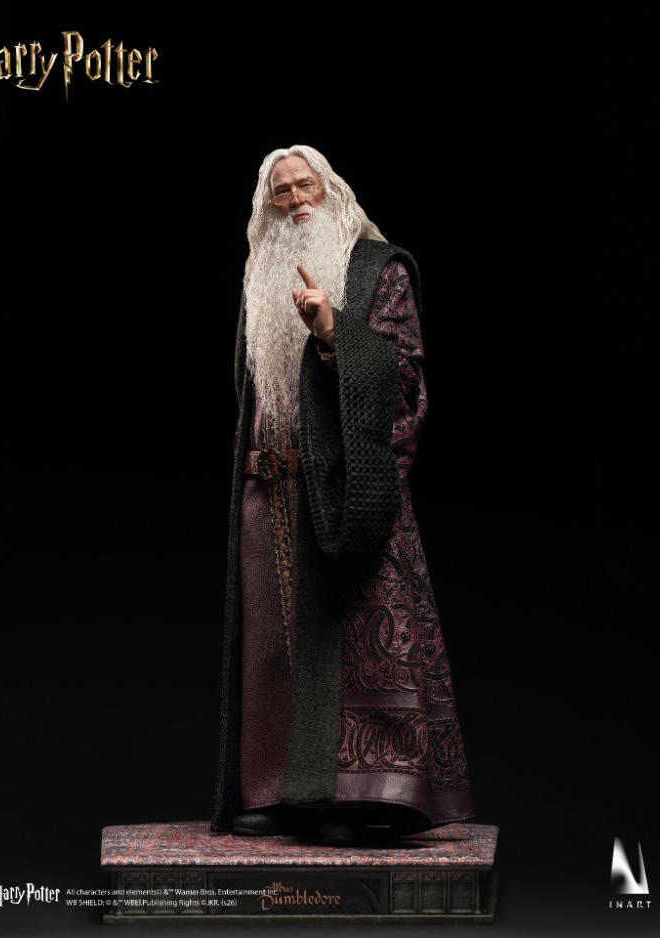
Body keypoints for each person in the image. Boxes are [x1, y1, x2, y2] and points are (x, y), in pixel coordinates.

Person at [210, 145, 474, 845]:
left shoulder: (379, 269)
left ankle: (360, 800)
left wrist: (333, 333)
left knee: (355, 639)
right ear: (266, 206)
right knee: (270, 644)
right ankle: (274, 791)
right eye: (281, 192)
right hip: (268, 490)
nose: (296, 201)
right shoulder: (260, 275)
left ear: (331, 190)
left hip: (344, 487)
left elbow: (406, 378)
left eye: (306, 187)